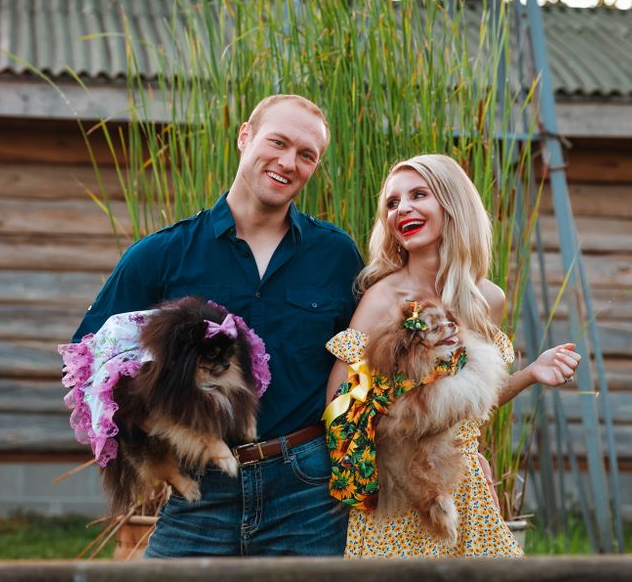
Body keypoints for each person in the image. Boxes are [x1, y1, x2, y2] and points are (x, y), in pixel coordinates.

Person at [72, 94, 363, 557]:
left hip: (307, 494)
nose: (289, 162)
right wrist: (163, 427)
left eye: (306, 155)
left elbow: (368, 366)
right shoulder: (163, 254)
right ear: (245, 136)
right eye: (278, 142)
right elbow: (91, 360)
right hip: (200, 490)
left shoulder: (336, 256)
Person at [324, 154, 580, 557]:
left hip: (465, 487)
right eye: (392, 202)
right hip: (401, 494)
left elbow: (471, 404)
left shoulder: (486, 300)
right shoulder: (382, 299)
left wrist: (531, 373)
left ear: (452, 204)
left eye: (418, 195)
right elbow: (340, 409)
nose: (401, 209)